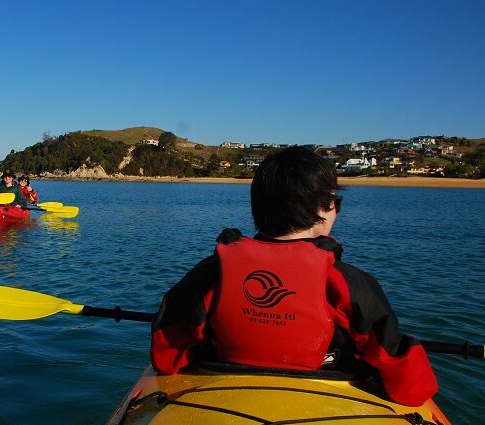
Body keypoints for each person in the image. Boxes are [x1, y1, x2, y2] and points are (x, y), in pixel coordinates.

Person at [150, 147, 438, 407]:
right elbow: (410, 389)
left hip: (224, 393)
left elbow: (166, 355)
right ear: (324, 208)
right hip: (322, 398)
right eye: (336, 202)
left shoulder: (212, 271)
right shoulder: (349, 283)